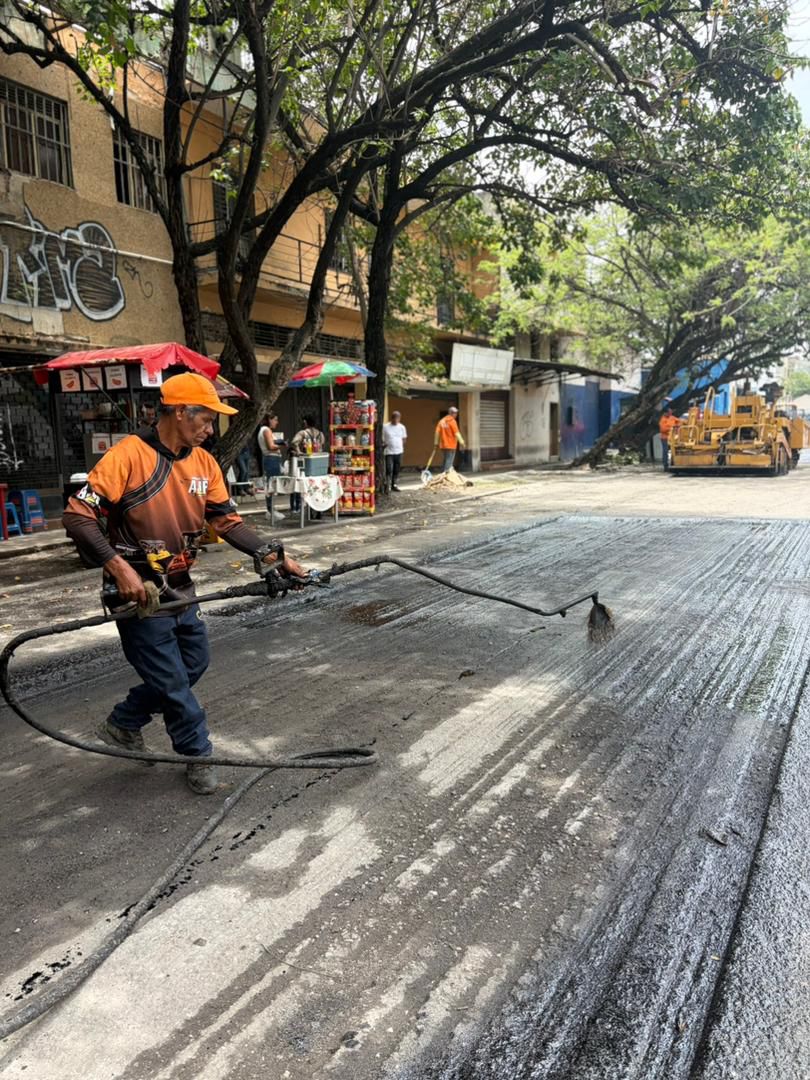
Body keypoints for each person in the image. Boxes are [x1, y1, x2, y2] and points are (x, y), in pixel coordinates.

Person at [62, 372, 306, 796]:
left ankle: (124, 722)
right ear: (179, 412)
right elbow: (78, 516)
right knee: (173, 681)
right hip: (138, 595)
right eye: (207, 419)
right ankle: (197, 753)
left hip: (180, 586)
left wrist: (275, 557)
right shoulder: (128, 456)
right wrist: (121, 570)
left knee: (192, 664)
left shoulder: (204, 463)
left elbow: (226, 521)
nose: (211, 430)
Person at [288, 415, 325, 513]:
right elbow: (321, 446)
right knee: (315, 485)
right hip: (316, 463)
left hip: (304, 463)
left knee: (300, 484)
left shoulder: (303, 433)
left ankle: (297, 507)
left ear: (305, 422)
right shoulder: (320, 434)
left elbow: (294, 442)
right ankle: (315, 507)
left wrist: (299, 452)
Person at [257, 413, 285, 522]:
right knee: (272, 485)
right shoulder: (266, 430)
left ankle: (271, 509)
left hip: (270, 459)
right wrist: (282, 445)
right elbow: (271, 446)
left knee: (271, 484)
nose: (276, 422)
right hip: (272, 459)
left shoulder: (263, 430)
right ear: (269, 419)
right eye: (275, 420)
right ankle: (271, 510)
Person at [434, 406, 465, 472]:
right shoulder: (452, 421)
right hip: (451, 445)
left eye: (456, 413)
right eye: (455, 413)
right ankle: (446, 473)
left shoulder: (441, 421)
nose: (456, 414)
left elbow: (437, 433)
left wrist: (436, 443)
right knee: (449, 461)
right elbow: (457, 433)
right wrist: (462, 442)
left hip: (443, 445)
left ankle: (443, 473)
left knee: (446, 459)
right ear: (451, 413)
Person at [383, 410, 407, 491]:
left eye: (398, 418)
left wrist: (400, 446)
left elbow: (404, 438)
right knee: (389, 468)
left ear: (400, 418)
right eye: (394, 418)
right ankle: (387, 485)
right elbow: (382, 438)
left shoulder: (402, 427)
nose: (396, 420)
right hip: (389, 451)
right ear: (391, 418)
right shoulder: (385, 426)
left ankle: (394, 484)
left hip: (399, 451)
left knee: (396, 469)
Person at [659, 406, 680, 471]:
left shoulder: (672, 417)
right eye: (669, 412)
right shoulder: (662, 420)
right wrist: (672, 427)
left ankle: (674, 463)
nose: (670, 413)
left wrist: (677, 425)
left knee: (675, 450)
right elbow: (663, 429)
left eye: (671, 412)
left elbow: (679, 421)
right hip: (665, 438)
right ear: (665, 413)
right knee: (665, 451)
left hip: (673, 438)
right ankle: (665, 466)